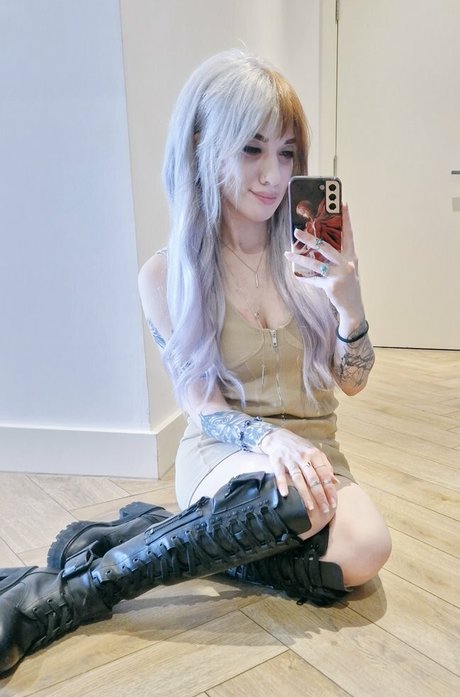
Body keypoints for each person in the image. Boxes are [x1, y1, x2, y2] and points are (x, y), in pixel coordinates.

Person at [0, 49, 391, 675]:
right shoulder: (167, 276)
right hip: (225, 454)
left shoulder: (314, 250)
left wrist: (350, 305)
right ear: (204, 145)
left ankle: (160, 533)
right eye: (252, 149)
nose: (273, 174)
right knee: (299, 506)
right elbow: (201, 407)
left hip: (316, 456)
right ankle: (72, 593)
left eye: (287, 152)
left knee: (367, 549)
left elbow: (353, 383)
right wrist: (270, 441)